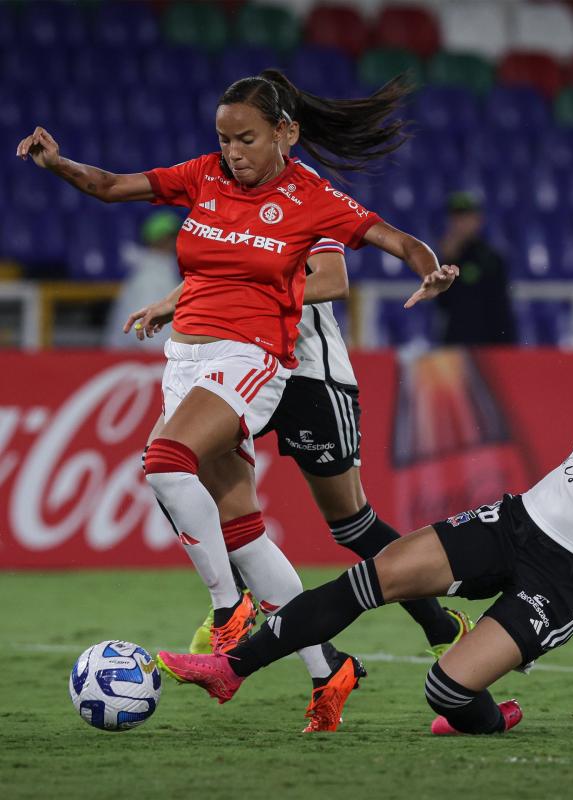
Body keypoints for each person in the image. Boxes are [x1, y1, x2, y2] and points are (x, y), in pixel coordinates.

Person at [156, 268, 573, 734]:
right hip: (517, 520)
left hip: (572, 570)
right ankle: (231, 668)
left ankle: (494, 719)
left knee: (447, 692)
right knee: (365, 581)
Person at [16, 74, 458, 727]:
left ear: (285, 131)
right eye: (224, 138)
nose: (233, 152)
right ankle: (326, 668)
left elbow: (358, 260)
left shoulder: (310, 196)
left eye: (244, 138)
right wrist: (57, 165)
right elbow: (116, 191)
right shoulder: (210, 176)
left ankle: (253, 610)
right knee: (240, 525)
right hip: (198, 356)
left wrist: (429, 266)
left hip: (288, 365)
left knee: (340, 519)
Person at [435, 190, 516, 346]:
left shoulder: (491, 259)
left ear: (478, 220)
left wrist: (506, 350)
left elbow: (500, 309)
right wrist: (447, 261)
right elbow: (442, 303)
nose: (460, 224)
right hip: (454, 344)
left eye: (466, 218)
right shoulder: (447, 258)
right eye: (456, 218)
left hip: (487, 345)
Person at [105, 210, 183, 350]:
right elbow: (147, 337)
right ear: (161, 240)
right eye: (174, 237)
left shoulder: (160, 271)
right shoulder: (151, 278)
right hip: (144, 358)